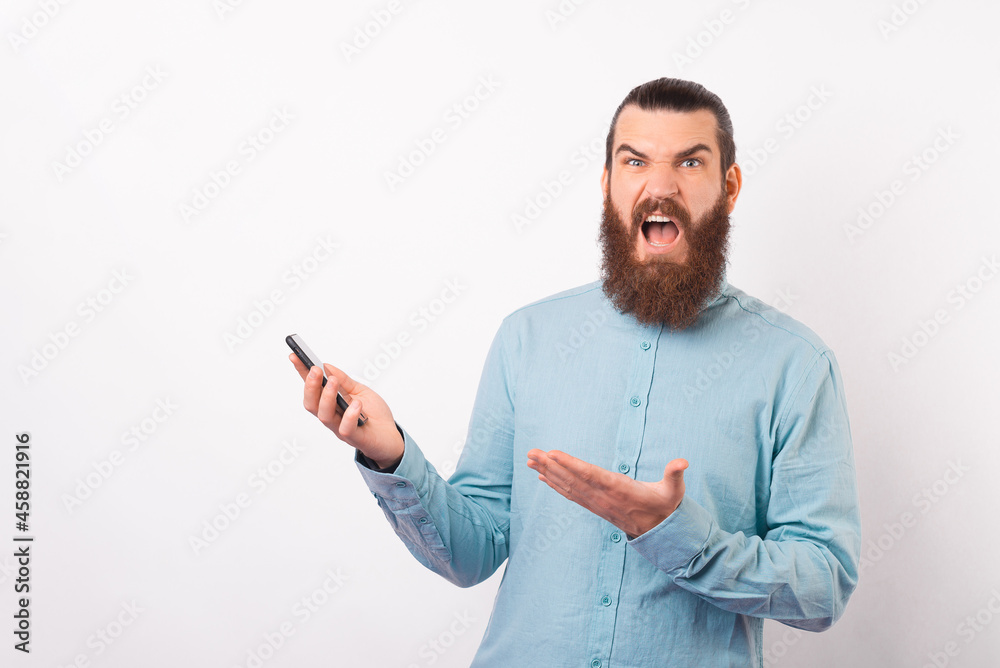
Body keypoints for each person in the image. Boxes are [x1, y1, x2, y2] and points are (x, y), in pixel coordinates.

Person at [289, 77, 862, 667]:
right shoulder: (527, 339)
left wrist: (675, 534)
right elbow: (472, 552)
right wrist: (390, 456)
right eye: (635, 161)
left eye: (690, 162)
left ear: (730, 187)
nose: (660, 186)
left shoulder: (795, 366)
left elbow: (823, 587)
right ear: (608, 183)